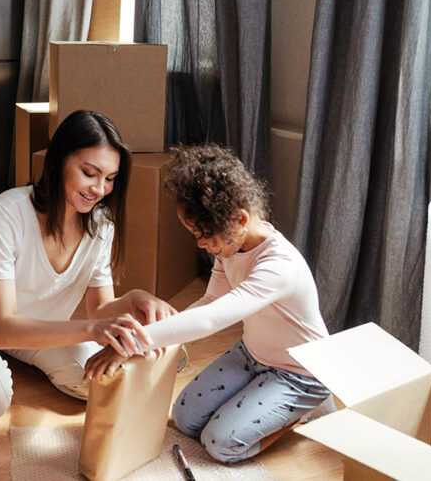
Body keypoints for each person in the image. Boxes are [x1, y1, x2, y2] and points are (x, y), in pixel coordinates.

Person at [0, 110, 177, 423]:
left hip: (25, 322)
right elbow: (2, 329)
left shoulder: (100, 225)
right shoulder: (6, 214)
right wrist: (91, 330)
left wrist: (134, 300)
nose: (99, 189)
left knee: (104, 381)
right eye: (89, 173)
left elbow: (99, 311)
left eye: (110, 178)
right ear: (59, 161)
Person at [83, 144, 332, 464]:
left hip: (299, 373)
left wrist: (131, 344)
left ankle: (304, 410)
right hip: (252, 354)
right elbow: (211, 300)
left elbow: (212, 318)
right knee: (186, 419)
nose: (200, 244)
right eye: (194, 234)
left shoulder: (278, 267)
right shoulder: (231, 247)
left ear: (240, 220)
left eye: (204, 234)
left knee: (221, 444)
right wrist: (155, 336)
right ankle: (262, 397)